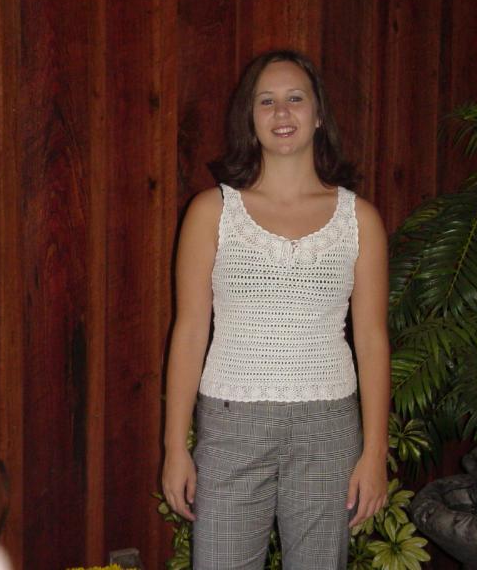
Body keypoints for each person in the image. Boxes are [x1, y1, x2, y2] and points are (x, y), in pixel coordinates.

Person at [162, 49, 390, 569]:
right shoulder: (212, 212)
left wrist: (375, 453)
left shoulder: (360, 220)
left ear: (318, 114)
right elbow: (190, 330)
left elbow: (373, 340)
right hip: (231, 427)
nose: (281, 113)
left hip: (329, 429)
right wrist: (175, 446)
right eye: (266, 101)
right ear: (250, 116)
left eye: (295, 99)